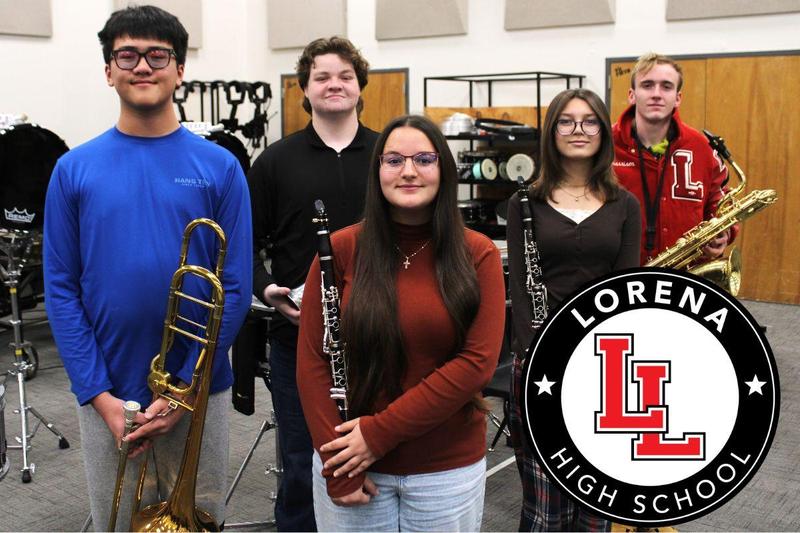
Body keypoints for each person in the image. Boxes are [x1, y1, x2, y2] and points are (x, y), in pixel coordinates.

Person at [43, 6, 251, 530]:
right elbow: (61, 289)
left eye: (158, 55)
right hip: (109, 389)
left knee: (199, 520)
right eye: (127, 55)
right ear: (108, 70)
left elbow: (233, 286)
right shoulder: (72, 170)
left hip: (197, 389)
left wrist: (185, 390)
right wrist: (97, 394)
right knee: (116, 521)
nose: (142, 66)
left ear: (179, 70)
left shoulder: (221, 167)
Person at [296, 115, 505, 531]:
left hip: (444, 472)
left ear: (444, 170)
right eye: (394, 160)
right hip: (352, 464)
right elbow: (313, 362)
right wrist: (337, 463)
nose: (409, 171)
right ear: (377, 172)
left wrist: (378, 434)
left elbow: (477, 364)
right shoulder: (339, 249)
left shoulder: (478, 253)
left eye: (424, 159)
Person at [248, 36, 379, 531]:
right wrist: (265, 289)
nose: (334, 84)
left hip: (383, 336)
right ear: (304, 88)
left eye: (345, 76)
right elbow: (244, 245)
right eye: (322, 76)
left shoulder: (389, 155)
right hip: (300, 339)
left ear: (360, 86)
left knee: (383, 457)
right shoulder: (274, 161)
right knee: (304, 461)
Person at [507, 88, 641, 531]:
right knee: (545, 503)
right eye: (566, 121)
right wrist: (538, 355)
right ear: (552, 131)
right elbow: (521, 289)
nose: (578, 130)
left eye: (589, 121)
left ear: (603, 131)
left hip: (605, 362)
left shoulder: (625, 205)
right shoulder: (524, 203)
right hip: (541, 360)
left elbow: (627, 291)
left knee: (597, 496)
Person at [613, 52, 733, 265]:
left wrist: (725, 232)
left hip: (685, 275)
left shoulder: (702, 147)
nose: (656, 94)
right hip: (620, 273)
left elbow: (720, 199)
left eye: (666, 87)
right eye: (647, 85)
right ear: (632, 95)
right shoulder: (604, 145)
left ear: (678, 98)